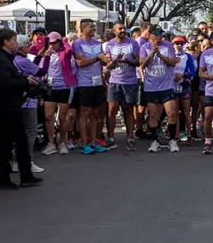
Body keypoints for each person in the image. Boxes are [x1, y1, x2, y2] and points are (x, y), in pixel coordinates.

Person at [0, 28, 42, 190]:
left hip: (11, 105)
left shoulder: (6, 58)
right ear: (5, 42)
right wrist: (25, 83)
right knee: (10, 143)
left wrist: (25, 79)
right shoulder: (0, 59)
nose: (16, 43)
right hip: (6, 106)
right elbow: (5, 83)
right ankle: (6, 178)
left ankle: (23, 175)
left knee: (17, 141)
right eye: (13, 40)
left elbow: (12, 77)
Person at [72, 18, 110, 155]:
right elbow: (80, 63)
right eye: (91, 27)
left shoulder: (98, 43)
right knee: (85, 113)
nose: (94, 29)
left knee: (95, 113)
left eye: (94, 26)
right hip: (84, 83)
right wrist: (97, 58)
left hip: (97, 82)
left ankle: (94, 141)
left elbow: (102, 63)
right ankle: (84, 143)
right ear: (82, 29)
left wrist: (107, 64)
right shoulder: (77, 43)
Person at [140, 27, 179, 153]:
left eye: (161, 34)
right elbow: (143, 64)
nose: (159, 37)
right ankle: (155, 141)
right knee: (152, 115)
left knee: (171, 113)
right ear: (150, 35)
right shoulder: (144, 47)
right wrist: (152, 53)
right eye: (156, 34)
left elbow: (172, 63)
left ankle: (172, 140)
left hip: (166, 86)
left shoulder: (168, 46)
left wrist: (160, 55)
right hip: (151, 87)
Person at [102, 23, 140, 151]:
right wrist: (115, 61)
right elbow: (107, 66)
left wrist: (127, 61)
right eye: (120, 29)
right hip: (114, 81)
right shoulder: (110, 44)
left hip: (130, 82)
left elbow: (137, 61)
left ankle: (130, 138)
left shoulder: (132, 43)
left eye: (124, 28)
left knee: (128, 110)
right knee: (111, 110)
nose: (123, 30)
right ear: (114, 31)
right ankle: (111, 139)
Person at [13, 35, 47, 174]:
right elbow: (41, 71)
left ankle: (20, 161)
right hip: (26, 100)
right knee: (31, 131)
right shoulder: (20, 59)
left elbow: (32, 67)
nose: (29, 46)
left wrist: (39, 57)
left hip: (22, 99)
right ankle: (26, 161)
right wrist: (48, 57)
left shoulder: (18, 59)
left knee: (23, 132)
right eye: (27, 44)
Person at [40, 32, 76, 155]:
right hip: (50, 87)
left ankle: (63, 142)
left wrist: (65, 41)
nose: (52, 45)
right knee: (48, 116)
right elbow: (40, 69)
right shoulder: (46, 54)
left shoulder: (65, 53)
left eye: (54, 42)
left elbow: (70, 50)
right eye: (50, 42)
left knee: (62, 117)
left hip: (64, 87)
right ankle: (51, 143)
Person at [173, 36, 196, 143]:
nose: (179, 45)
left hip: (185, 85)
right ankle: (176, 134)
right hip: (172, 85)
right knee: (175, 112)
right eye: (176, 43)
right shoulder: (170, 56)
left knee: (186, 112)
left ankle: (189, 134)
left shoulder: (188, 56)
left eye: (181, 43)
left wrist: (183, 75)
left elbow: (193, 71)